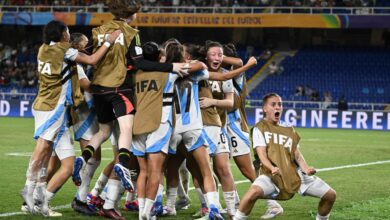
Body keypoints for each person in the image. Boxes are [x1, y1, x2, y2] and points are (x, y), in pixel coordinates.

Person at [20, 20, 120, 216]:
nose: (85, 45)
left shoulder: (43, 49)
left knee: (53, 155)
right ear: (63, 36)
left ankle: (40, 198)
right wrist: (108, 42)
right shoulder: (66, 52)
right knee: (43, 147)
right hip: (54, 106)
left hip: (50, 105)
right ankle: (29, 189)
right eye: (67, 31)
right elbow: (89, 64)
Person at [234, 93, 336, 220]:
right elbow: (262, 155)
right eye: (273, 104)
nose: (277, 107)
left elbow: (297, 156)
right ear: (265, 108)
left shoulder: (289, 129)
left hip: (294, 173)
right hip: (270, 175)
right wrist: (271, 168)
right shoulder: (259, 128)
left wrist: (306, 169)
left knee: (330, 195)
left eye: (280, 105)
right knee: (252, 193)